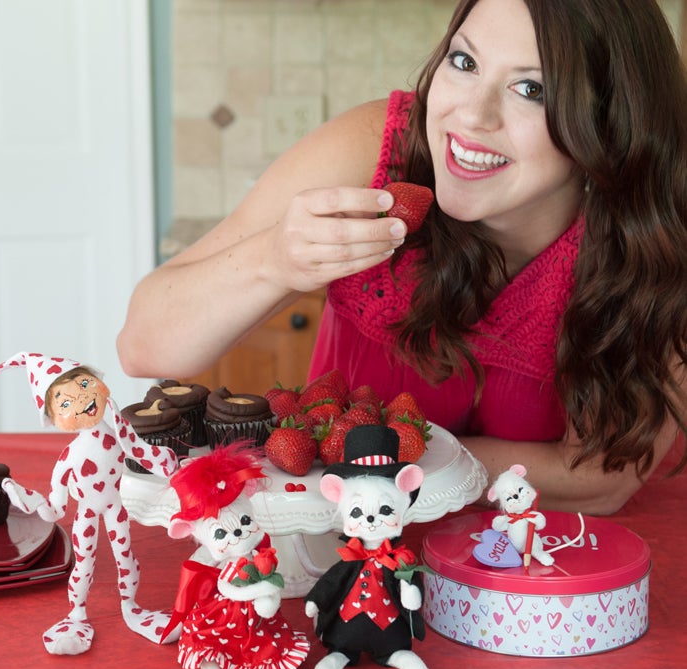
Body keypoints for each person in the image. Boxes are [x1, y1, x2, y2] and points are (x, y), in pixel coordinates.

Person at [117, 0, 687, 515]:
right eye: (465, 62)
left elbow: (601, 480)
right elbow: (144, 345)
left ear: (613, 124)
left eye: (531, 89)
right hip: (343, 551)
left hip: (533, 565)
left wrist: (380, 456)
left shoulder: (656, 238)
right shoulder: (373, 150)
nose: (471, 116)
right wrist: (274, 260)